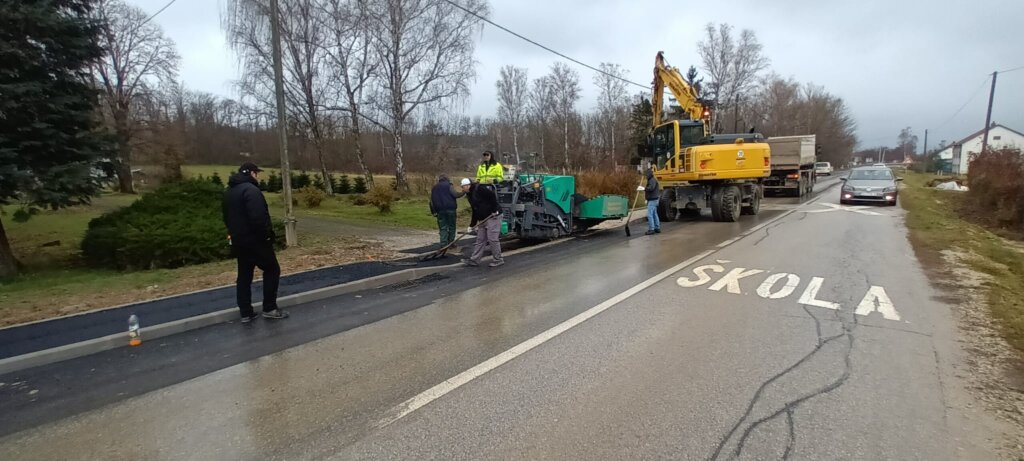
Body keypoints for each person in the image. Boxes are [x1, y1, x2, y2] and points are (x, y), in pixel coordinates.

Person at [223, 162, 289, 323]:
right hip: (256, 240)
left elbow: (226, 217)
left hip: (238, 241)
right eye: (256, 173)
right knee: (272, 269)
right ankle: (269, 307)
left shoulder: (229, 192)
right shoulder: (251, 190)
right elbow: (259, 217)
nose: (257, 176)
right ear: (252, 173)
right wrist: (266, 236)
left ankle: (246, 312)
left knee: (244, 275)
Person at [460, 177, 504, 267]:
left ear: (468, 186)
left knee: (492, 239)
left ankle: (498, 259)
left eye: (463, 187)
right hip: (483, 218)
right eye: (462, 187)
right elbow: (474, 210)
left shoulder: (479, 189)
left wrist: (494, 209)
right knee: (480, 240)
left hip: (493, 216)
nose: (462, 189)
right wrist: (471, 225)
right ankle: (475, 260)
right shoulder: (469, 195)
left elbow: (491, 195)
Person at [429, 174, 460, 248]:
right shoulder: (449, 186)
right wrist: (464, 192)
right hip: (450, 209)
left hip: (440, 210)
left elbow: (431, 201)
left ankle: (443, 244)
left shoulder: (434, 188)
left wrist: (433, 211)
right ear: (447, 179)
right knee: (452, 226)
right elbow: (455, 195)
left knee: (443, 228)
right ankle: (451, 243)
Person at [643, 168, 661, 235]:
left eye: (647, 175)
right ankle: (657, 227)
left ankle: (651, 229)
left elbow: (651, 188)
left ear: (649, 174)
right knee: (654, 214)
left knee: (650, 215)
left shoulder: (652, 180)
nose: (646, 176)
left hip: (653, 200)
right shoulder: (651, 180)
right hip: (654, 199)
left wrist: (644, 189)